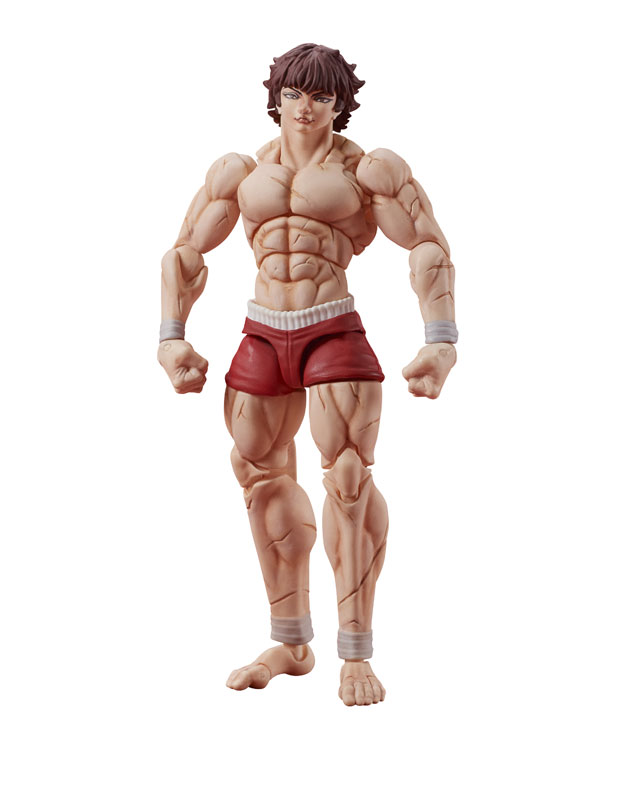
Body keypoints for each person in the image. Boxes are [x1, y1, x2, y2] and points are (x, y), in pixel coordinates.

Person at [157, 43, 457, 706]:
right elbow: (184, 252)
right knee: (258, 476)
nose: (305, 107)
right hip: (262, 330)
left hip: (330, 326)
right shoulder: (240, 171)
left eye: (320, 96)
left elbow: (427, 246)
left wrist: (439, 341)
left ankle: (356, 653)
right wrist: (171, 337)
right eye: (294, 94)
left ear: (338, 104)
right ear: (276, 98)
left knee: (347, 478)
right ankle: (291, 643)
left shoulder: (369, 169)